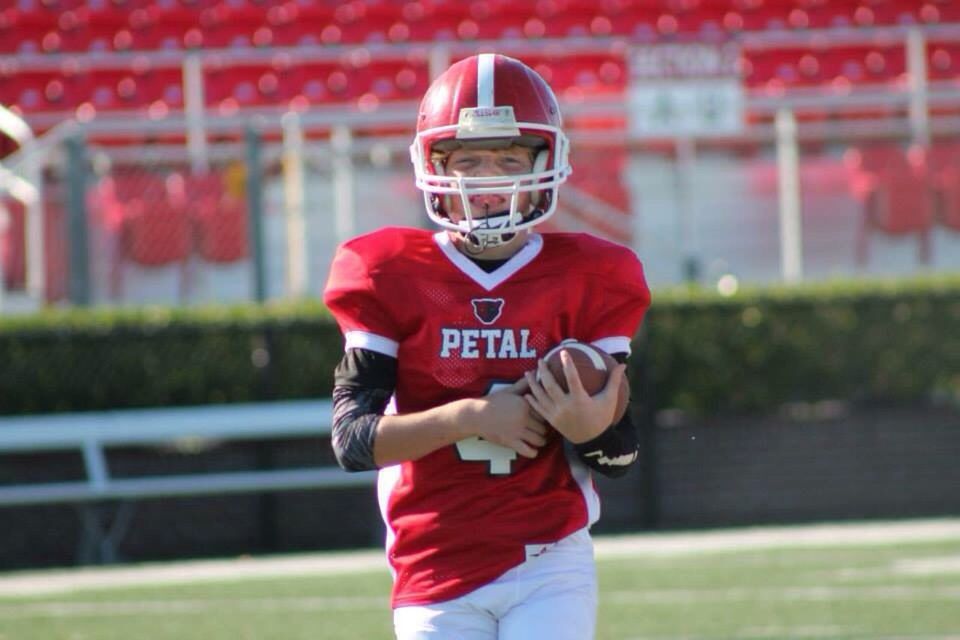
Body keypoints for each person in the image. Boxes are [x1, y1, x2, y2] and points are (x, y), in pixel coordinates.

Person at [323, 53, 651, 640]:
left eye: (508, 160)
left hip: (550, 558)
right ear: (434, 166)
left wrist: (591, 426)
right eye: (469, 161)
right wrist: (471, 417)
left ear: (546, 163)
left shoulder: (592, 274)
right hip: (434, 564)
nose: (491, 180)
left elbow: (620, 458)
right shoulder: (387, 271)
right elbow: (351, 442)